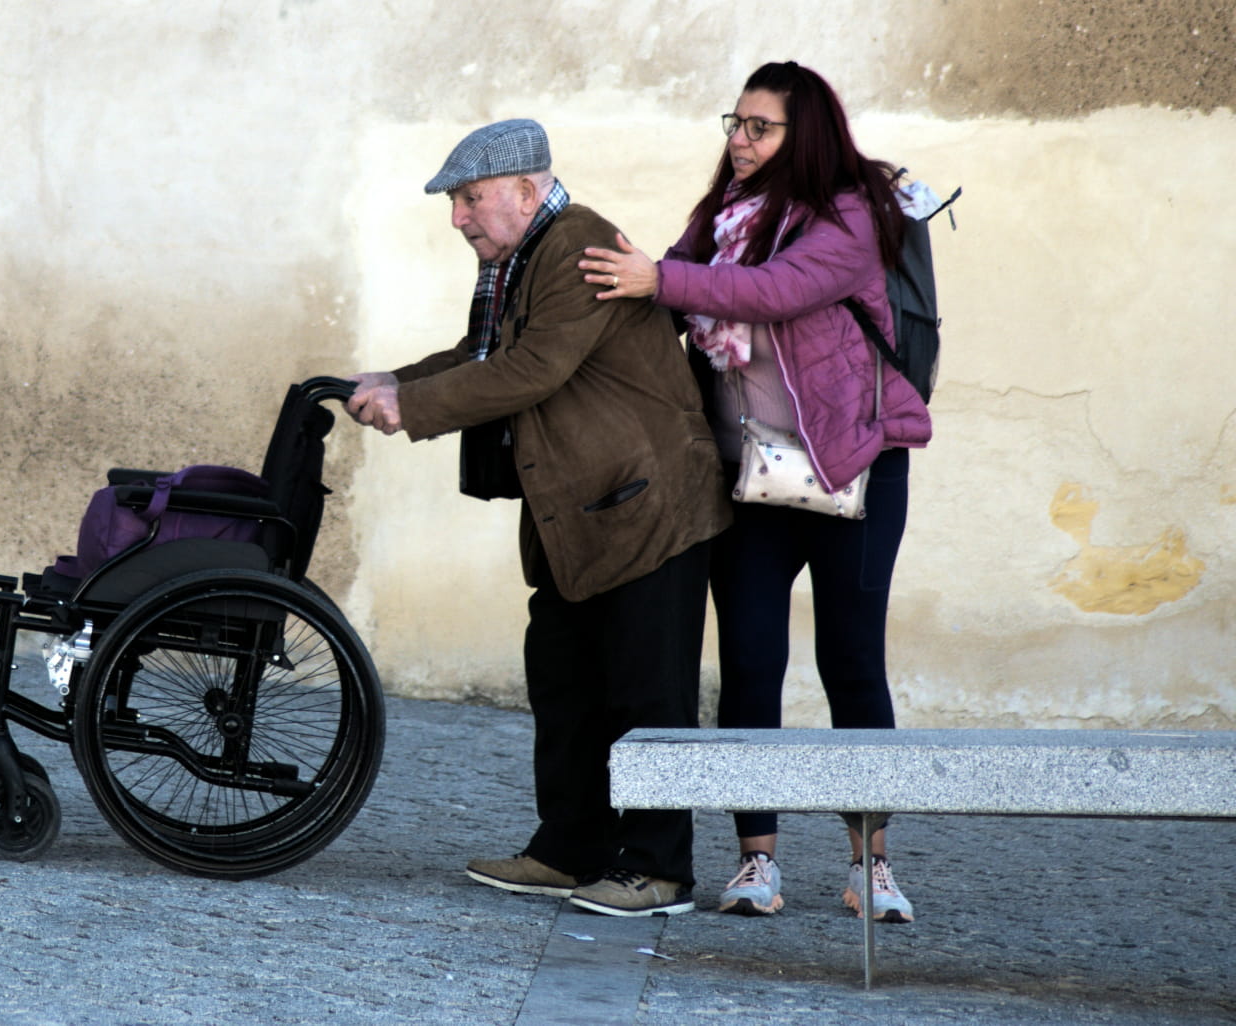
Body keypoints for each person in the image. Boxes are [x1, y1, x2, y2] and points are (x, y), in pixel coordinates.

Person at [345, 119, 730, 917]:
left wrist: (409, 405)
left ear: (526, 190)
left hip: (648, 507)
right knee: (565, 685)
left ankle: (659, 870)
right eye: (455, 201)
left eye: (470, 198)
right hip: (578, 515)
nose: (458, 217)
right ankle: (569, 849)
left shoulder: (578, 245)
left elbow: (532, 368)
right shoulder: (522, 259)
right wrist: (393, 377)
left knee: (646, 694)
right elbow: (482, 352)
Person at [579, 61, 932, 923]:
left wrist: (660, 280)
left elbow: (777, 293)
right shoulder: (724, 217)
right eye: (733, 123)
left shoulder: (852, 214)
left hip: (854, 464)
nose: (739, 140)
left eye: (759, 127)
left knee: (852, 663)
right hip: (752, 474)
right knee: (749, 663)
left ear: (802, 134)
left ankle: (870, 863)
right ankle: (756, 862)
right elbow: (672, 286)